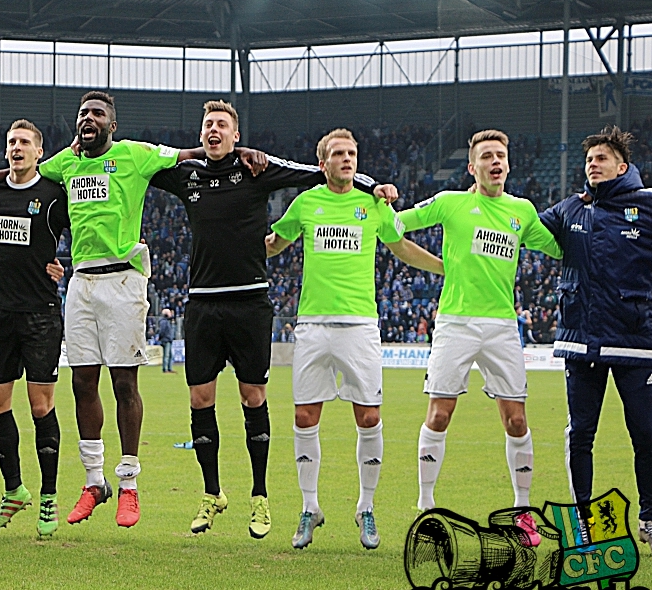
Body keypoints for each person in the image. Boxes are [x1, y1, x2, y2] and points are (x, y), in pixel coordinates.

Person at [0, 91, 265, 528]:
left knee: (124, 383)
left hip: (124, 280)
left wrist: (241, 151)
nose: (89, 118)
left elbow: (193, 152)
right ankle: (94, 483)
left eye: (98, 114)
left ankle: (128, 484)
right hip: (82, 282)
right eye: (83, 113)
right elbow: (23, 172)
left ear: (112, 125)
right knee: (82, 383)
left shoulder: (135, 155)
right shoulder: (64, 163)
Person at [149, 102, 397, 539]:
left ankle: (260, 498)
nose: (214, 130)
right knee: (200, 400)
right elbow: (141, 165)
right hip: (203, 301)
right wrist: (189, 154)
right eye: (208, 125)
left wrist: (373, 184)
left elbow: (316, 173)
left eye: (222, 125)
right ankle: (212, 494)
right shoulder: (184, 175)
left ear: (236, 134)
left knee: (253, 397)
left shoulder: (257, 170)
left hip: (250, 302)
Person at [266, 128, 444, 549]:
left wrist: (445, 268)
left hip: (361, 326)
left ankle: (365, 507)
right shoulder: (306, 203)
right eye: (339, 154)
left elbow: (401, 247)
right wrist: (239, 249)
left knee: (368, 417)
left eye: (352, 153)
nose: (347, 159)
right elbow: (275, 244)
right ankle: (310, 507)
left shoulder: (372, 204)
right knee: (305, 418)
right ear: (323, 161)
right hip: (312, 326)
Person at [397, 130, 562, 512]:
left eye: (500, 155)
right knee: (439, 414)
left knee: (516, 420)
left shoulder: (522, 211)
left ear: (508, 164)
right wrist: (382, 202)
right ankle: (426, 503)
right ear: (473, 167)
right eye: (487, 156)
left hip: (502, 326)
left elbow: (557, 246)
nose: (495, 162)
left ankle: (522, 508)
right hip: (456, 322)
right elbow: (396, 224)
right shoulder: (449, 203)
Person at [539, 126, 652, 555]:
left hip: (635, 343)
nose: (592, 165)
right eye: (589, 159)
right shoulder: (572, 209)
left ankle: (648, 519)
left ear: (622, 166)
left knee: (645, 436)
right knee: (581, 436)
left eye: (601, 159)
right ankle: (584, 522)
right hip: (583, 344)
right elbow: (524, 228)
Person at [0, 120, 68, 536]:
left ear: (39, 152)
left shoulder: (54, 197)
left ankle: (50, 497)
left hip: (40, 314)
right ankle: (14, 490)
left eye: (24, 142)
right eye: (11, 143)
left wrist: (67, 265)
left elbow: (87, 231)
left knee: (41, 406)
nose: (17, 148)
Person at [158, 309, 175, 374]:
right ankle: (165, 369)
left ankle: (169, 368)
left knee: (170, 355)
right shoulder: (164, 322)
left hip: (168, 339)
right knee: (167, 355)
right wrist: (161, 337)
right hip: (166, 340)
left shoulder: (166, 321)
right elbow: (162, 331)